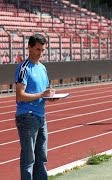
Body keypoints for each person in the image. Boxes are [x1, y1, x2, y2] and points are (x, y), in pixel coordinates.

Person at [15, 34, 57, 180]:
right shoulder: (23, 68)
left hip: (40, 116)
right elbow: (20, 95)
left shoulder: (43, 68)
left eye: (43, 50)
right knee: (29, 159)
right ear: (29, 48)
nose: (40, 53)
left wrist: (50, 96)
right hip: (27, 116)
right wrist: (41, 94)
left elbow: (44, 90)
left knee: (42, 157)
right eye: (38, 49)